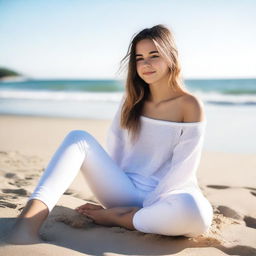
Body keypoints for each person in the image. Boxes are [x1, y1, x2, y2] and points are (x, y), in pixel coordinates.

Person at [7, 24, 213, 244]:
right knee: (78, 138)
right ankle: (26, 225)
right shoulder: (132, 100)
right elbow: (116, 150)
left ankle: (122, 218)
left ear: (171, 56)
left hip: (166, 195)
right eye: (139, 58)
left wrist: (152, 203)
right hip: (124, 191)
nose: (146, 64)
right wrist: (115, 191)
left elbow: (184, 167)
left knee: (197, 215)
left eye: (154, 55)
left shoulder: (189, 104)